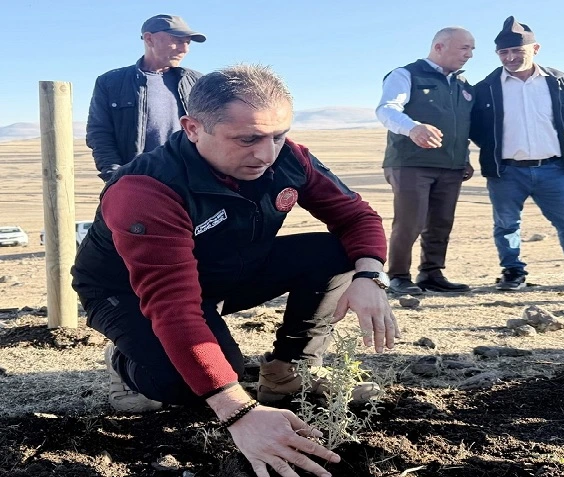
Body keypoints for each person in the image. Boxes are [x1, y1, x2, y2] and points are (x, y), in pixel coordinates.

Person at [72, 64, 399, 477]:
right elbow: (174, 306)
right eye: (247, 139)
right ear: (192, 128)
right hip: (130, 292)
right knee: (189, 385)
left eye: (277, 135)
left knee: (335, 252)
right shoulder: (145, 190)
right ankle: (126, 360)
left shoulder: (290, 159)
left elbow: (356, 218)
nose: (265, 154)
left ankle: (288, 373)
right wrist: (237, 412)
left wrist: (369, 276)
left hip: (223, 270)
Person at [469, 16, 564, 291]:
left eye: (518, 51)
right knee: (506, 224)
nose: (510, 57)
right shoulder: (485, 88)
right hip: (506, 170)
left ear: (535, 49)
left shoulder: (560, 81)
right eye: (503, 52)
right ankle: (512, 271)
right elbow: (478, 130)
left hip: (553, 168)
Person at [376, 27, 476, 295]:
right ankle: (397, 275)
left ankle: (432, 273)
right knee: (411, 221)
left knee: (441, 222)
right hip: (411, 163)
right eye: (464, 48)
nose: (470, 55)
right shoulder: (406, 74)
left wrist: (464, 157)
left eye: (472, 49)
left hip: (451, 166)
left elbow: (461, 125)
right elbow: (386, 109)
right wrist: (413, 128)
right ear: (439, 47)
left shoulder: (463, 85)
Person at [86, 14, 206, 182]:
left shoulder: (197, 82)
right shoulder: (111, 82)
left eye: (188, 42)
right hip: (137, 182)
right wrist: (115, 176)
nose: (184, 49)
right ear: (149, 39)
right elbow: (99, 133)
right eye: (177, 40)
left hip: (189, 181)